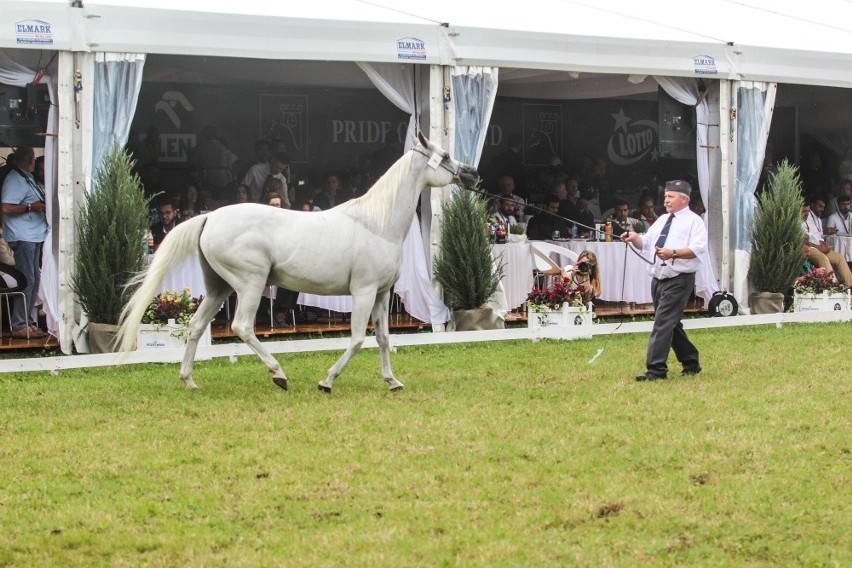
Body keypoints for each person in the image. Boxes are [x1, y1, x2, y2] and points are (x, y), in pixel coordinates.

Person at [620, 180, 705, 381]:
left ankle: (656, 370)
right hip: (658, 278)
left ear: (684, 199)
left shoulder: (695, 222)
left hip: (679, 278)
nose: (666, 200)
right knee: (671, 323)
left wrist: (673, 253)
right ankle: (691, 361)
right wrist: (634, 238)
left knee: (663, 322)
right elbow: (647, 243)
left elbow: (697, 249)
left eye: (671, 196)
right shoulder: (661, 220)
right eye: (666, 196)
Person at [0, 147, 49, 338]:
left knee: (34, 279)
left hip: (34, 235)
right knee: (26, 280)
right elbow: (5, 207)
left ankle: (28, 321)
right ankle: (19, 324)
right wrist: (31, 207)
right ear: (29, 159)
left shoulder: (26, 177)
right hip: (23, 236)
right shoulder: (15, 179)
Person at [801, 202, 852, 285]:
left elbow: (816, 236)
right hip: (807, 248)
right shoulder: (795, 221)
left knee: (839, 258)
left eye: (808, 211)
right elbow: (804, 241)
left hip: (816, 246)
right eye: (804, 211)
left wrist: (823, 244)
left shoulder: (817, 219)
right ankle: (832, 286)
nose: (807, 214)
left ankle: (850, 286)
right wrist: (818, 247)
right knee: (823, 258)